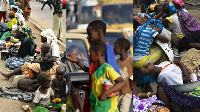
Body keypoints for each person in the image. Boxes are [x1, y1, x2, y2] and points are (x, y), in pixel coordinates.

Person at [66, 20, 121, 112]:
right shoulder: (99, 55)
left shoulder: (106, 50)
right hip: (94, 97)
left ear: (99, 33)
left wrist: (105, 93)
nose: (88, 37)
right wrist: (78, 62)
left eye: (90, 34)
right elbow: (96, 72)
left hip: (103, 104)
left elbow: (115, 77)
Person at [88, 41, 125, 112]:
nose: (89, 56)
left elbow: (122, 82)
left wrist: (105, 93)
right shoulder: (97, 70)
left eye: (90, 53)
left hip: (108, 109)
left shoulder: (107, 68)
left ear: (96, 54)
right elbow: (96, 91)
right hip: (98, 108)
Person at [113, 38, 133, 112]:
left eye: (115, 46)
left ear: (121, 48)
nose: (114, 48)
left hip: (127, 93)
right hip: (117, 93)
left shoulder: (131, 61)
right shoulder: (115, 62)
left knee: (123, 109)